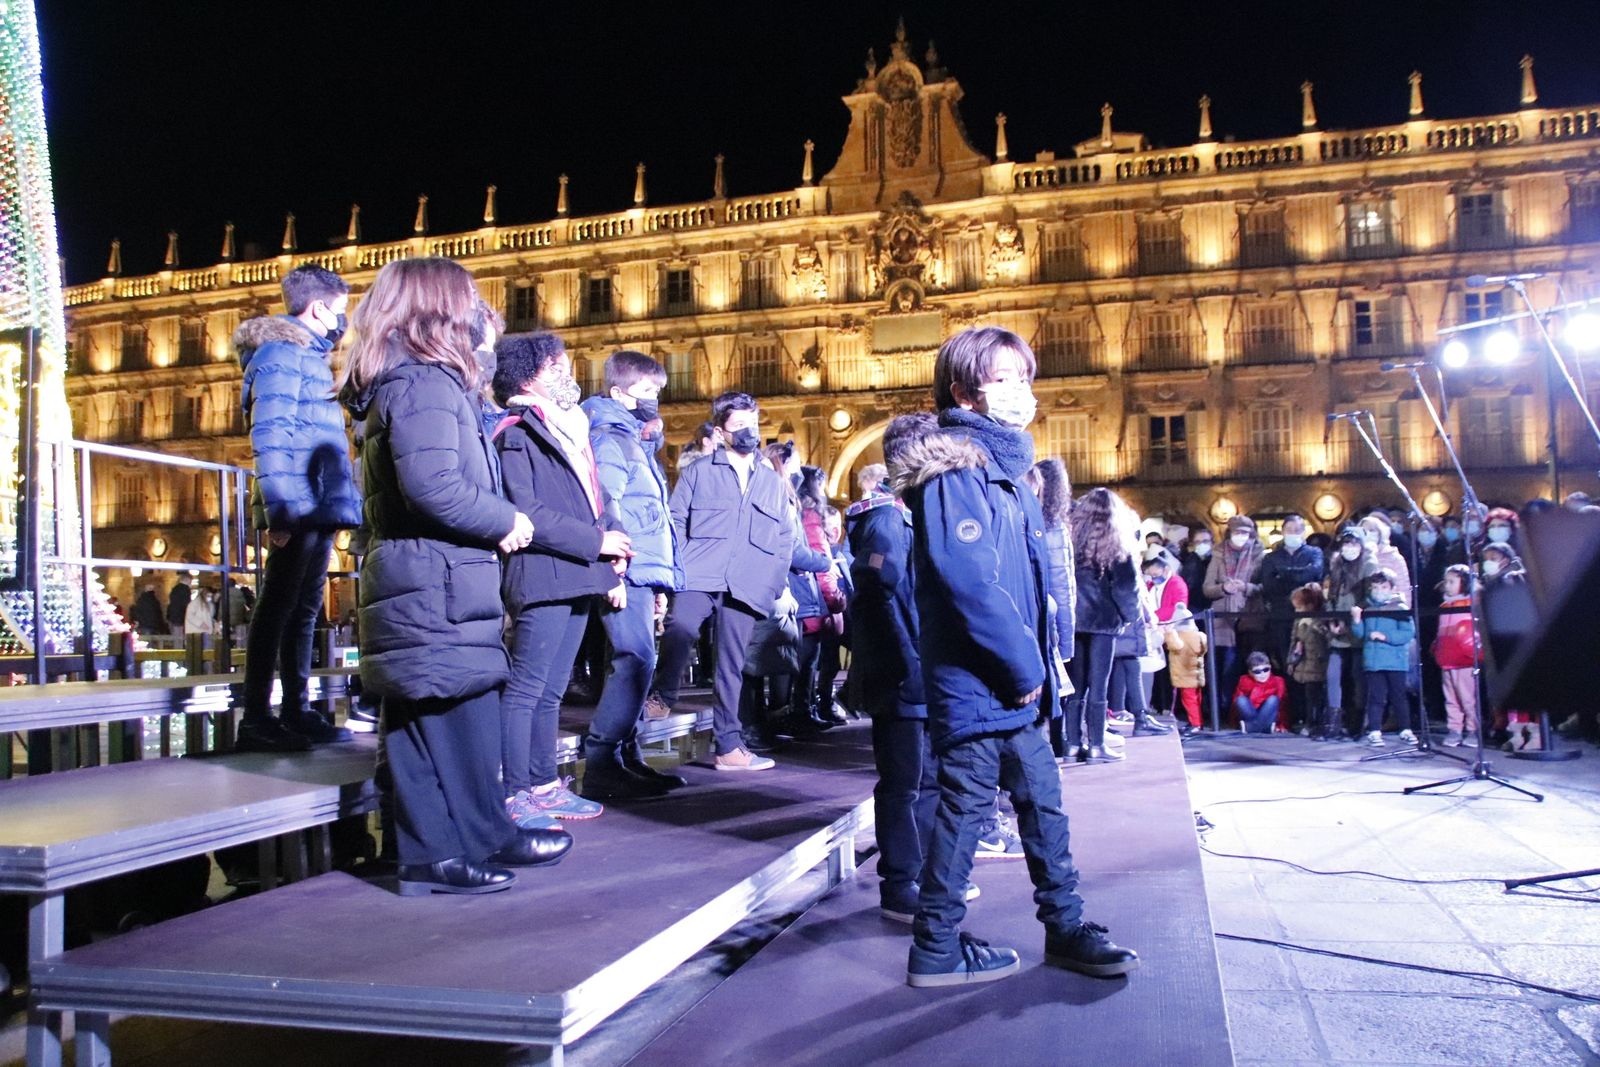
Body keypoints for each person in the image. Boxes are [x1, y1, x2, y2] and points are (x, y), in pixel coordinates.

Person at [895, 325, 1136, 987]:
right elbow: (968, 577)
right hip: (981, 679)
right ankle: (936, 945)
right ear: (964, 390)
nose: (1020, 391)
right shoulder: (953, 466)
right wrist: (1024, 666)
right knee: (967, 807)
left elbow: (1028, 578)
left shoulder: (1008, 472)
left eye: (1024, 377)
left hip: (1016, 682)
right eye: (1003, 378)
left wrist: (1039, 663)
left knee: (1043, 802)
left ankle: (1065, 924)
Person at [339, 256, 570, 897]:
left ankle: (462, 840)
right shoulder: (422, 384)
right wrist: (504, 521)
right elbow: (433, 483)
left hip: (433, 574)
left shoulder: (418, 381)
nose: (476, 315)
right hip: (432, 577)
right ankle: (443, 850)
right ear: (437, 310)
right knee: (441, 714)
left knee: (444, 714)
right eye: (466, 301)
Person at [492, 332, 636, 819]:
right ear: (534, 372)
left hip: (574, 573)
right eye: (560, 363)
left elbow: (591, 500)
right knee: (528, 687)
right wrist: (597, 543)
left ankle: (543, 783)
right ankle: (515, 792)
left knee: (552, 688)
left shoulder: (564, 429)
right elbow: (526, 508)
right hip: (540, 573)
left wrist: (609, 550)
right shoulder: (517, 432)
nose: (569, 372)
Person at [233, 264, 363, 752]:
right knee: (277, 607)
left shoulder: (306, 356)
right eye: (339, 310)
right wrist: (281, 513)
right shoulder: (282, 354)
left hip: (321, 500)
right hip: (300, 504)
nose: (341, 321)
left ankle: (296, 710)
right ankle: (258, 717)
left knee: (305, 608)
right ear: (317, 307)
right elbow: (271, 434)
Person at [654, 391, 796, 771]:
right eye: (739, 426)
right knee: (681, 627)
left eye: (753, 423)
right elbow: (675, 519)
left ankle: (729, 746)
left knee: (731, 665)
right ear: (720, 432)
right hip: (700, 572)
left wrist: (771, 582)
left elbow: (785, 537)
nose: (749, 432)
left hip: (748, 582)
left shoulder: (770, 481)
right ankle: (663, 691)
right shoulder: (699, 472)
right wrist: (673, 572)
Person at [581, 350, 689, 796]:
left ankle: (626, 755)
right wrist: (618, 568)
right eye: (648, 391)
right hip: (625, 564)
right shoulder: (610, 436)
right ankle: (603, 760)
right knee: (635, 659)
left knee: (632, 662)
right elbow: (608, 503)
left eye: (658, 391)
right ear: (619, 392)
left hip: (641, 568)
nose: (655, 399)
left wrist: (658, 579)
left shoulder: (631, 440)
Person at [852, 413, 937, 922]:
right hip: (903, 675)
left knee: (923, 780)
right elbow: (880, 598)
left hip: (916, 671)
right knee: (905, 783)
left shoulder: (904, 514)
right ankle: (901, 881)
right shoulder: (887, 519)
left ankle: (923, 874)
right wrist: (907, 664)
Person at [1065, 487, 1142, 763]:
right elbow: (1126, 588)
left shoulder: (1071, 540)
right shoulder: (1116, 545)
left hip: (1075, 620)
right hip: (1104, 622)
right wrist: (1130, 616)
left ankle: (1072, 743)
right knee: (1099, 684)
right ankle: (1096, 744)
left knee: (1075, 684)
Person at [1253, 514, 1324, 713]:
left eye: (1297, 529)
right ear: (1283, 532)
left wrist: (1283, 573)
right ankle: (1293, 713)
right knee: (1287, 663)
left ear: (1304, 531)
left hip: (1309, 617)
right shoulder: (1271, 557)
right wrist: (1299, 575)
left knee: (1311, 665)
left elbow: (1316, 573)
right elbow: (1269, 584)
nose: (1293, 533)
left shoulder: (1314, 553)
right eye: (1289, 529)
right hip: (1281, 616)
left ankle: (1313, 714)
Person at [1349, 567, 1416, 748]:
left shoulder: (1399, 608)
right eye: (1376, 587)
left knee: (1398, 697)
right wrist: (1356, 620)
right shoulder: (1367, 607)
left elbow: (1408, 633)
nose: (1379, 591)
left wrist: (1386, 637)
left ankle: (1405, 728)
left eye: (1384, 587)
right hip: (1374, 662)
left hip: (1395, 662)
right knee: (1376, 697)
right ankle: (1375, 730)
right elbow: (1360, 634)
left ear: (1392, 588)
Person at [1324, 526, 1377, 739]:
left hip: (1357, 627)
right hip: (1337, 629)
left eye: (1354, 543)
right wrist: (1331, 620)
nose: (1349, 548)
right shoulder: (1336, 564)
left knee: (1357, 677)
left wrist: (1352, 619)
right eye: (1346, 543)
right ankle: (1333, 722)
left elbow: (1370, 597)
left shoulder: (1369, 564)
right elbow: (1330, 597)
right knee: (1332, 674)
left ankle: (1358, 723)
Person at [1203, 514, 1264, 700]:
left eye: (1245, 533)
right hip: (1222, 619)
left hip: (1248, 616)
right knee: (1221, 665)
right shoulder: (1218, 554)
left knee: (1244, 662)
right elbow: (1207, 588)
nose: (1241, 536)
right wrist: (1223, 588)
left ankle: (1238, 707)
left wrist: (1245, 587)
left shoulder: (1258, 554)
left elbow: (1264, 586)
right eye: (1238, 532)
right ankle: (1218, 707)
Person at [1432, 563, 1479, 747]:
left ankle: (1473, 729)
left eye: (1453, 581)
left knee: (1467, 697)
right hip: (1447, 660)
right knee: (1451, 698)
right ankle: (1454, 729)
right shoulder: (1444, 605)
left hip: (1465, 660)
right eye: (1447, 581)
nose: (1448, 585)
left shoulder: (1470, 604)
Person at [1288, 583, 1334, 739]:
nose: (1296, 611)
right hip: (1303, 664)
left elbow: (1329, 638)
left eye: (1299, 608)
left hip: (1317, 664)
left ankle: (1317, 724)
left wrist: (1314, 626)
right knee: (1306, 696)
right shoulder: (1298, 621)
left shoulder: (1320, 619)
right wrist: (1291, 661)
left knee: (1316, 697)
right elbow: (1294, 639)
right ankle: (1308, 722)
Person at [1164, 604, 1207, 734]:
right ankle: (1197, 722)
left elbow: (1175, 646)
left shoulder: (1180, 636)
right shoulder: (1199, 635)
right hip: (1196, 674)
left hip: (1185, 675)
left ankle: (1195, 724)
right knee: (1196, 700)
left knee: (1189, 700)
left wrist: (1169, 632)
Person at [1232, 651, 1285, 734]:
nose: (1262, 674)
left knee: (1273, 700)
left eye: (1266, 670)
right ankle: (1260, 727)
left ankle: (1251, 727)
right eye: (1257, 671)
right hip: (1250, 713)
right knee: (1240, 700)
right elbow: (1236, 707)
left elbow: (1283, 706)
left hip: (1268, 716)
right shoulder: (1244, 680)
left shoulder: (1278, 681)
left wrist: (1282, 725)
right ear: (1250, 672)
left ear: (1270, 668)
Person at [1178, 528, 1214, 614]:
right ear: (1193, 545)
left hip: (1213, 606)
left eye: (1205, 541)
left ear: (1212, 543)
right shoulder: (1189, 561)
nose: (1201, 544)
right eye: (1197, 542)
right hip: (1193, 607)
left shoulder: (1217, 561)